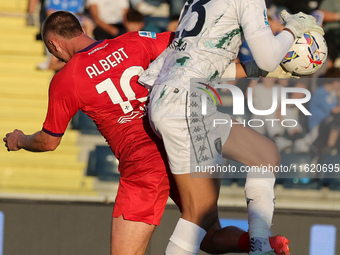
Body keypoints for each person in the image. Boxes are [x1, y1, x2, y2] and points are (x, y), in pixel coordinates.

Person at [3, 11, 289, 255]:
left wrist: (20, 140)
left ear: (54, 43)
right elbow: (187, 47)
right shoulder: (136, 42)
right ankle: (260, 242)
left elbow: (49, 141)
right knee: (207, 235)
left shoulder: (67, 79)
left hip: (143, 168)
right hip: (180, 144)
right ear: (82, 29)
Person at [138, 1, 324, 254]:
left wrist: (258, 70)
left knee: (265, 155)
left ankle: (260, 245)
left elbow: (204, 64)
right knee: (200, 214)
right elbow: (269, 56)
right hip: (183, 103)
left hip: (180, 96)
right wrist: (292, 29)